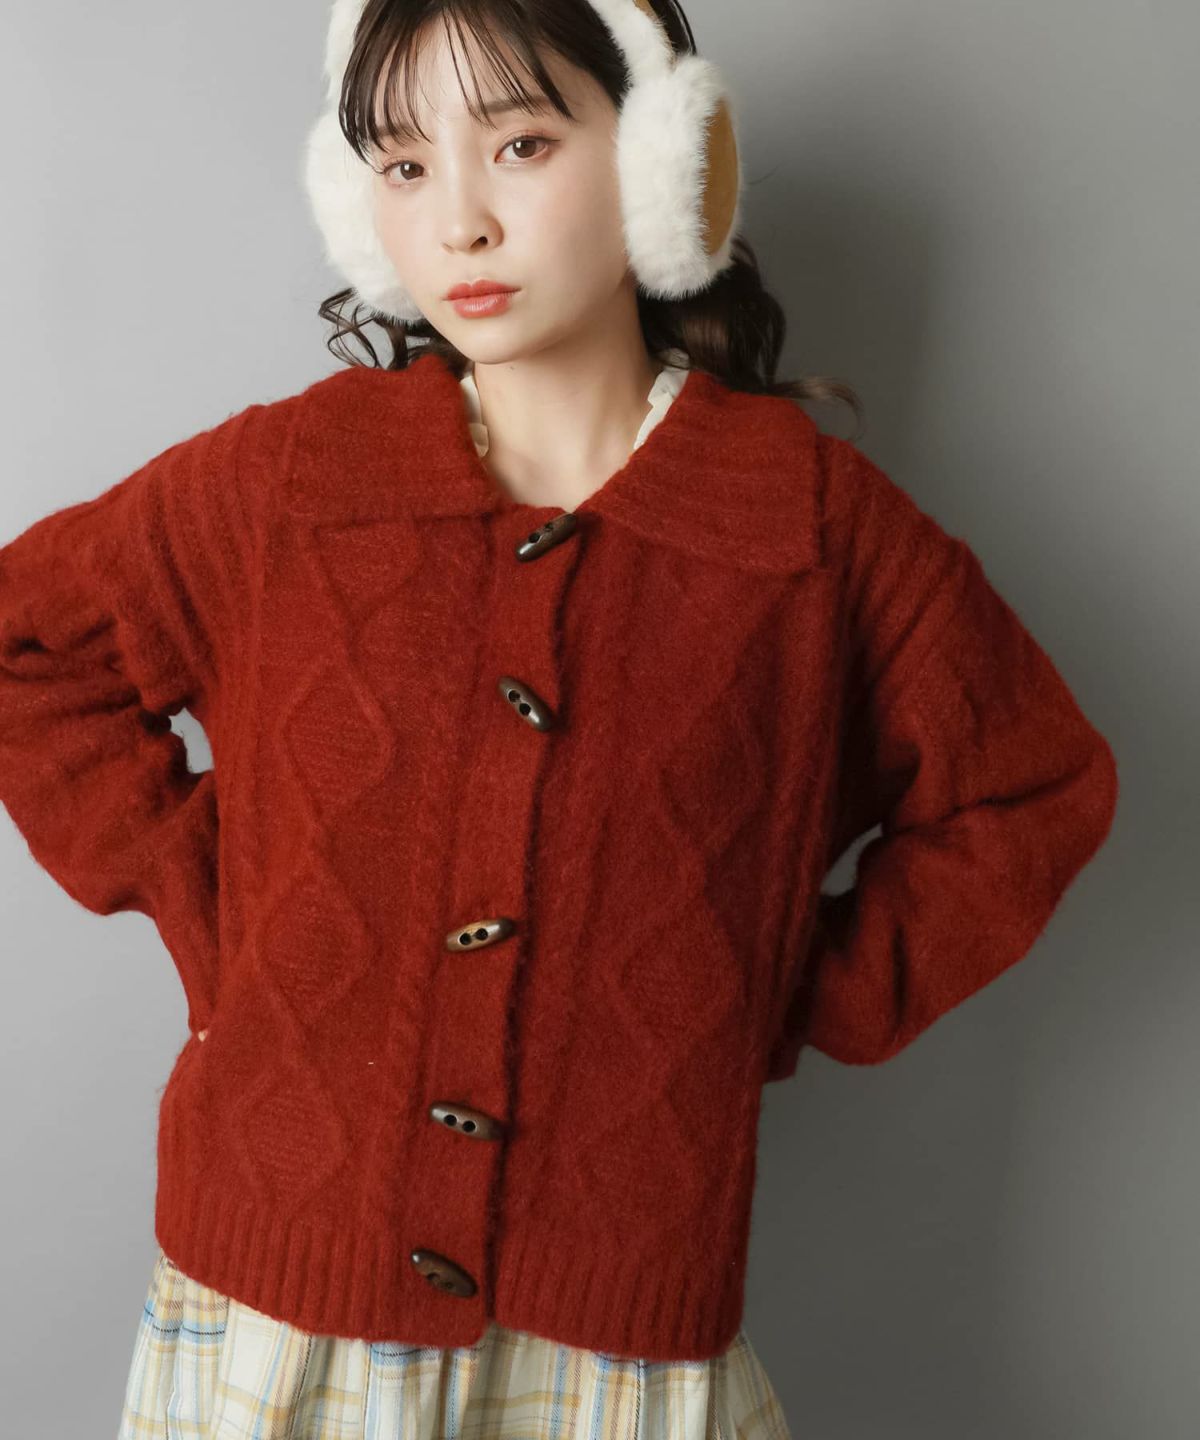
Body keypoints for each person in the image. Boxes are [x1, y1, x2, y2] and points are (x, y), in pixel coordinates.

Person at [0, 2, 1117, 1436]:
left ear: (661, 158)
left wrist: (763, 989)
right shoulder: (294, 484)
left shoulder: (806, 530)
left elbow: (1029, 787)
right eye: (404, 167)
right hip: (277, 1328)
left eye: (520, 144)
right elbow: (26, 641)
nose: (458, 220)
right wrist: (216, 904)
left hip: (616, 1349)